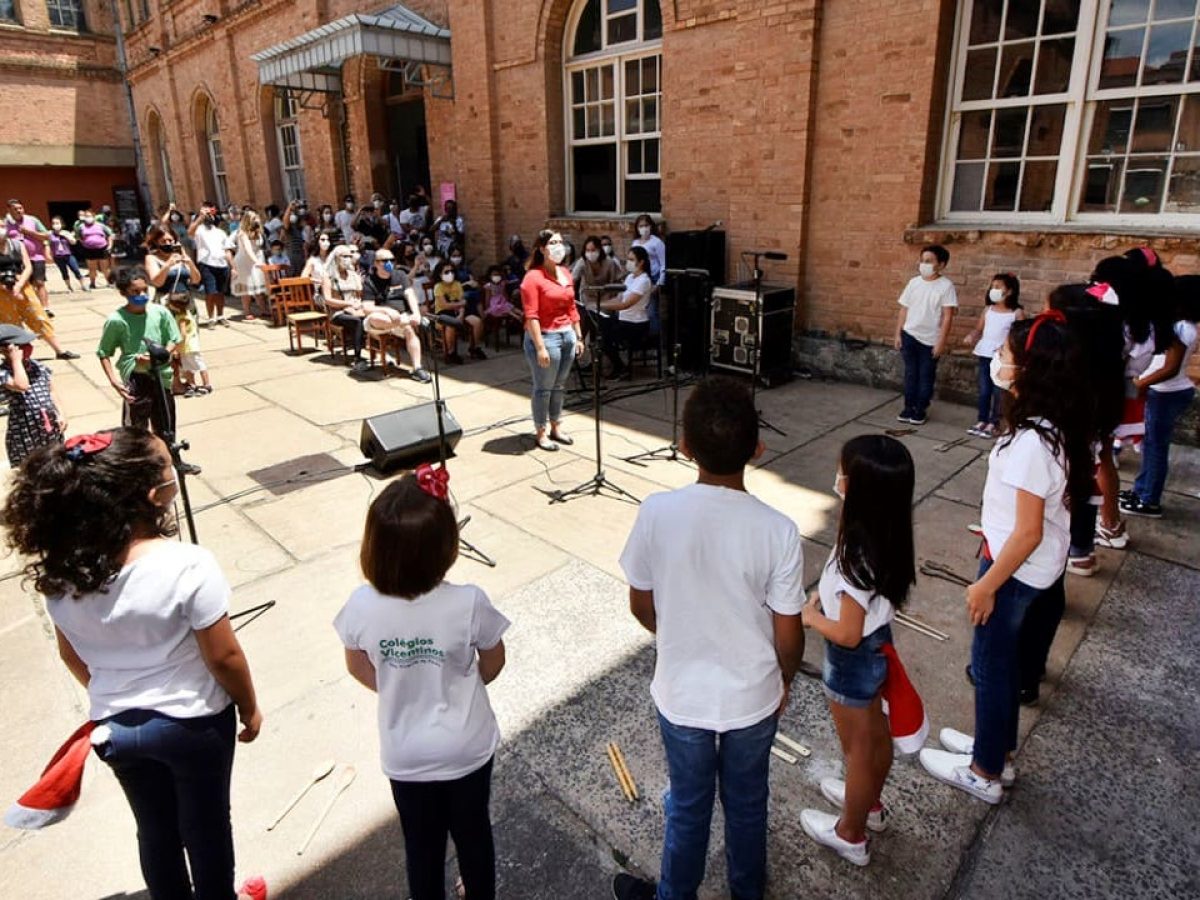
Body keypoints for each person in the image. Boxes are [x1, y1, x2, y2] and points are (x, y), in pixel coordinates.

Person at [4, 427, 264, 900]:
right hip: (193, 724)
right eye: (169, 467)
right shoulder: (188, 564)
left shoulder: (64, 575)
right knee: (206, 828)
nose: (175, 472)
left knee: (154, 828)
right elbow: (224, 656)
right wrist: (249, 707)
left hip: (115, 730)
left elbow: (71, 654)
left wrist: (116, 692)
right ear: (152, 496)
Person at [612, 376, 805, 900]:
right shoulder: (778, 530)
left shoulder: (656, 512)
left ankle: (675, 894)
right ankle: (747, 890)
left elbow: (641, 603)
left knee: (688, 803)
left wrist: (678, 631)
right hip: (754, 697)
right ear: (758, 450)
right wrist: (783, 678)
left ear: (684, 448)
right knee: (747, 803)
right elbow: (790, 632)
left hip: (682, 697)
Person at [920, 311, 1091, 804]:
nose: (998, 361)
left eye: (1006, 356)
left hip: (1013, 571)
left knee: (991, 666)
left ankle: (984, 772)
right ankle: (999, 751)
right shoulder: (1051, 428)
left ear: (1030, 371)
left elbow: (1028, 532)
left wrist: (986, 584)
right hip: (1028, 568)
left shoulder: (1032, 443)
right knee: (1005, 666)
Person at [334, 470, 508, 900]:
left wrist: (400, 682)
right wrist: (461, 684)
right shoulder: (468, 601)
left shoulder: (362, 605)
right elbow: (495, 657)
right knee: (474, 836)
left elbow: (357, 665)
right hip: (467, 749)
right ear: (445, 547)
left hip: (406, 757)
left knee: (421, 847)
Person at [799, 435, 915, 867]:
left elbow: (846, 633)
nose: (837, 479)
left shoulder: (855, 557)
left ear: (858, 489)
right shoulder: (887, 533)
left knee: (858, 749)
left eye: (842, 473)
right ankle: (867, 804)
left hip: (853, 659)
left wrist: (810, 618)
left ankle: (850, 832)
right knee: (873, 737)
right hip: (876, 646)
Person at [1121, 275, 1199, 518]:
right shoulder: (1179, 325)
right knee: (1149, 445)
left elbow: (1170, 367)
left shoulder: (1182, 328)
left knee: (1155, 447)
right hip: (1162, 392)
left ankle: (1149, 500)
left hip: (1167, 393)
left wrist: (1141, 383)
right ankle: (1142, 489)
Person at [97, 268, 186, 448]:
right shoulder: (117, 320)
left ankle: (171, 459)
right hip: (137, 380)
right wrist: (114, 382)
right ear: (124, 293)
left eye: (145, 289)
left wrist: (162, 354)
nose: (142, 294)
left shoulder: (160, 312)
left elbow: (174, 338)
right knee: (135, 432)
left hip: (162, 377)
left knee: (166, 426)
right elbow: (104, 352)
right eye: (135, 292)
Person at [521, 230, 582, 451]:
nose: (559, 247)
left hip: (567, 335)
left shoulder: (565, 272)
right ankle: (541, 431)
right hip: (546, 337)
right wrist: (540, 347)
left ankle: (556, 427)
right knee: (543, 388)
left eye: (561, 242)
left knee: (559, 386)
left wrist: (578, 335)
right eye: (553, 242)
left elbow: (572, 306)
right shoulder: (532, 277)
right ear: (542, 248)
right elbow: (532, 315)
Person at [893, 244, 957, 426]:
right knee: (911, 374)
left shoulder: (946, 286)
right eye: (922, 261)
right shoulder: (914, 283)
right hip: (910, 335)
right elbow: (903, 309)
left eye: (929, 261)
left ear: (941, 264)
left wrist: (940, 342)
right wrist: (898, 333)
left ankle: (920, 409)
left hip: (930, 340)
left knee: (926, 375)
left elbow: (947, 317)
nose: (924, 264)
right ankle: (908, 406)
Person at [961, 273, 1023, 438]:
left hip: (1002, 359)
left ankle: (994, 423)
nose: (993, 290)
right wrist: (972, 336)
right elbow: (978, 329)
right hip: (985, 354)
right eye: (992, 287)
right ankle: (982, 419)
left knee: (998, 392)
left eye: (998, 287)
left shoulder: (1016, 313)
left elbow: (1018, 336)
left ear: (1009, 291)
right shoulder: (987, 310)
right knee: (984, 390)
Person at [0, 235, 78, 359]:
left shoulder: (16, 244)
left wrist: (19, 285)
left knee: (39, 317)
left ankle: (59, 350)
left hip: (23, 287)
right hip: (2, 293)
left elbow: (28, 267)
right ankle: (18, 356)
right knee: (11, 323)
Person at [0, 324, 65, 466]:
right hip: (25, 429)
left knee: (54, 459)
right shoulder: (3, 372)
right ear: (7, 349)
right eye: (23, 345)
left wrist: (61, 413)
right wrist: (16, 360)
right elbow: (22, 385)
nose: (28, 347)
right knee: (31, 465)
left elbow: (52, 390)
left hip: (48, 425)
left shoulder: (37, 366)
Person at [599, 245, 654, 379]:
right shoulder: (630, 278)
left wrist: (601, 305)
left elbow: (626, 304)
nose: (628, 262)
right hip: (624, 321)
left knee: (606, 337)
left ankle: (620, 367)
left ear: (641, 262)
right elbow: (619, 297)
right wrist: (600, 304)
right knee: (601, 329)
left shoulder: (644, 281)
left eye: (631, 259)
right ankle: (617, 366)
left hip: (636, 324)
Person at [323, 245, 371, 372]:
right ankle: (358, 357)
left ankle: (376, 353)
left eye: (350, 256)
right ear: (336, 258)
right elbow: (327, 299)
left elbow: (360, 294)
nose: (348, 259)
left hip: (355, 308)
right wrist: (346, 304)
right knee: (357, 322)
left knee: (370, 317)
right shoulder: (329, 277)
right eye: (344, 256)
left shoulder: (353, 275)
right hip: (337, 312)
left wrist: (358, 300)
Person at [188, 202, 231, 328]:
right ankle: (211, 317)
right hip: (207, 264)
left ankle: (221, 315)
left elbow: (227, 250)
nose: (209, 218)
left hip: (222, 264)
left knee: (220, 292)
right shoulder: (199, 231)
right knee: (210, 292)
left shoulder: (220, 232)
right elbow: (190, 231)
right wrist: (200, 217)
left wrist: (232, 266)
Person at [433, 261, 485, 363]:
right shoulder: (438, 287)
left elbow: (463, 302)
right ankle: (451, 352)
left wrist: (461, 313)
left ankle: (473, 348)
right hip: (444, 313)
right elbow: (444, 305)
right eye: (446, 272)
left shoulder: (457, 284)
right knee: (451, 325)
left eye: (452, 271)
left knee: (477, 322)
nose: (450, 274)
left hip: (458, 312)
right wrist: (459, 304)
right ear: (440, 274)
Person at [6, 199, 52, 311]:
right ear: (9, 210)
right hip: (17, 259)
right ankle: (31, 308)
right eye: (15, 209)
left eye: (20, 208)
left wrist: (30, 232)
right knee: (24, 284)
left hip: (36, 256)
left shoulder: (33, 220)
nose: (18, 211)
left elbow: (46, 236)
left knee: (40, 282)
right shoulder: (5, 224)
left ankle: (45, 308)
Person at [143, 224, 201, 308]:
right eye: (163, 241)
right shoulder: (151, 258)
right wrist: (168, 265)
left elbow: (196, 280)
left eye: (170, 240)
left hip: (185, 301)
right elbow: (157, 282)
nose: (168, 243)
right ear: (156, 242)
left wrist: (189, 263)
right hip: (165, 302)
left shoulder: (181, 256)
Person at [167, 292, 211, 397]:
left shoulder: (182, 317)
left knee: (198, 365)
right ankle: (192, 384)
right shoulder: (186, 312)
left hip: (189, 346)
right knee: (187, 367)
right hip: (186, 347)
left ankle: (207, 384)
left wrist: (176, 348)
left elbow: (183, 334)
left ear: (176, 306)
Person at [229, 210, 268, 320]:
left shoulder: (258, 231)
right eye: (254, 219)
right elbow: (247, 249)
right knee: (246, 288)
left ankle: (263, 310)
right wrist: (257, 262)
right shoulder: (242, 233)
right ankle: (247, 311)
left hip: (258, 258)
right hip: (245, 261)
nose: (256, 221)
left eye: (257, 218)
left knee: (259, 287)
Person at [75, 207, 115, 291]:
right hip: (89, 250)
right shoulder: (81, 227)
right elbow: (78, 237)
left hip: (102, 249)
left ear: (94, 217)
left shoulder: (101, 226)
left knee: (105, 268)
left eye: (90, 216)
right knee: (92, 269)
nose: (88, 218)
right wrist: (85, 243)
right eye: (86, 216)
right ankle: (92, 283)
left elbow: (110, 235)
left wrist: (110, 245)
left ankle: (109, 282)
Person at [48, 216, 87, 292]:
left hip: (68, 255)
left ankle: (83, 286)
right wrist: (50, 255)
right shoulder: (50, 234)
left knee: (76, 270)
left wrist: (66, 236)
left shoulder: (66, 232)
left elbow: (74, 242)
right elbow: (48, 244)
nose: (55, 225)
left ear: (61, 224)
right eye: (54, 223)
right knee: (64, 272)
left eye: (57, 223)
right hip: (58, 256)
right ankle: (69, 287)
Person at [631, 214, 666, 286]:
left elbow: (663, 264)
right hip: (638, 277)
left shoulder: (657, 242)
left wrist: (660, 282)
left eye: (646, 225)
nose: (644, 228)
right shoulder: (635, 243)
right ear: (637, 228)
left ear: (651, 226)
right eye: (641, 226)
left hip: (653, 277)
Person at [281, 201, 311, 278]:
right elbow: (285, 221)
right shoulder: (290, 228)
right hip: (292, 257)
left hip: (301, 256)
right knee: (294, 278)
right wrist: (289, 208)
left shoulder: (300, 229)